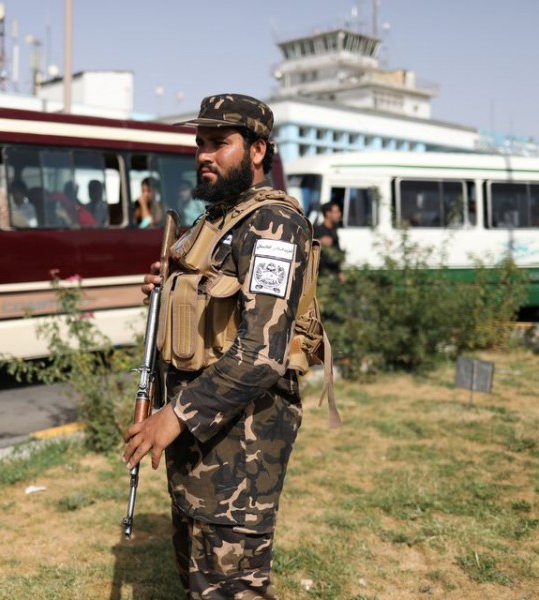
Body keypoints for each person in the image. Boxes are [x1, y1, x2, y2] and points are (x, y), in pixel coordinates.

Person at [123, 93, 328, 599]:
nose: (204, 155)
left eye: (219, 143)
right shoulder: (218, 220)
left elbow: (261, 352)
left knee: (230, 588)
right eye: (200, 144)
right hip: (201, 448)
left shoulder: (273, 226)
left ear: (258, 150)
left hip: (241, 452)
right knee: (198, 583)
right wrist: (169, 289)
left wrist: (174, 415)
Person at [315, 201, 345, 280]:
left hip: (333, 274)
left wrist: (339, 272)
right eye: (336, 212)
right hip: (321, 275)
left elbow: (336, 252)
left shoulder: (334, 230)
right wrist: (319, 241)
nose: (339, 214)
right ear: (328, 213)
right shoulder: (317, 230)